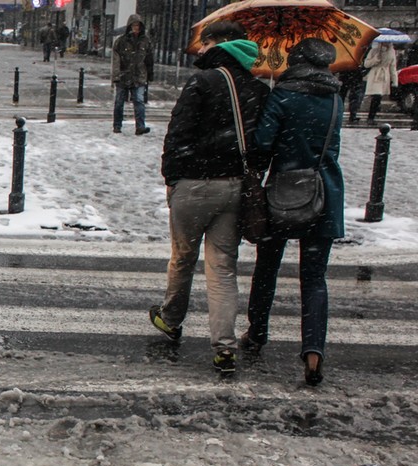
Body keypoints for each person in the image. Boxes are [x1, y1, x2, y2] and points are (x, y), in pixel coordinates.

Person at [151, 20, 270, 375]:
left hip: (193, 183)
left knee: (183, 257)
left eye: (206, 42)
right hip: (233, 186)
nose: (200, 49)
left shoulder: (202, 82)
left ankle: (171, 319)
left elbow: (177, 134)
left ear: (222, 44)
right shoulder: (259, 89)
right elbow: (262, 146)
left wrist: (172, 177)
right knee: (222, 269)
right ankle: (225, 346)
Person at [242, 38, 344, 386]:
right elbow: (333, 145)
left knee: (267, 266)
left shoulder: (283, 95)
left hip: (285, 193)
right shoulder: (335, 97)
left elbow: (263, 145)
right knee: (314, 278)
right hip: (324, 192)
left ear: (296, 60)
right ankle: (314, 352)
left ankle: (257, 332)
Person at [110, 14, 154, 135]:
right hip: (123, 76)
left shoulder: (145, 41)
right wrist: (116, 75)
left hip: (139, 76)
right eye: (134, 25)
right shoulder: (121, 42)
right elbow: (116, 60)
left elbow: (149, 59)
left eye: (138, 25)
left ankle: (140, 126)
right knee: (119, 102)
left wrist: (149, 74)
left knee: (139, 101)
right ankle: (117, 125)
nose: (136, 28)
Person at [362, 41, 398, 124]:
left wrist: (394, 81)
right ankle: (371, 117)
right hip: (375, 75)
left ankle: (372, 115)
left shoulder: (392, 52)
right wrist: (375, 60)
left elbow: (393, 67)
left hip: (384, 76)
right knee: (376, 96)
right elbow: (366, 64)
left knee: (378, 97)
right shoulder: (374, 50)